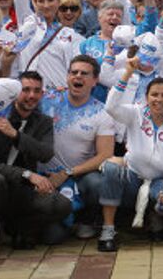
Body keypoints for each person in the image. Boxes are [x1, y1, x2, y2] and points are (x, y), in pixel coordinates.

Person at [0, 74, 71, 261]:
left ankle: (19, 230)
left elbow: (45, 153)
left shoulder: (43, 122)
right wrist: (28, 174)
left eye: (37, 91)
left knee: (60, 204)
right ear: (14, 94)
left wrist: (15, 135)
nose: (31, 95)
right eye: (26, 90)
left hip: (19, 192)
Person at [98, 59, 163, 251]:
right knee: (112, 168)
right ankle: (108, 229)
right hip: (132, 178)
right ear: (146, 97)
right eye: (154, 94)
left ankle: (154, 215)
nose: (159, 99)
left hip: (159, 181)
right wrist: (127, 72)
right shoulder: (135, 113)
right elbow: (111, 107)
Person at [39, 55, 115, 242]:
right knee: (51, 238)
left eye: (84, 73)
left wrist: (68, 173)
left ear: (95, 81)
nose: (78, 77)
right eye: (74, 72)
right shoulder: (47, 100)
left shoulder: (102, 112)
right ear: (67, 77)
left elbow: (105, 154)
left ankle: (87, 219)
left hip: (78, 178)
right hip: (43, 180)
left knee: (98, 183)